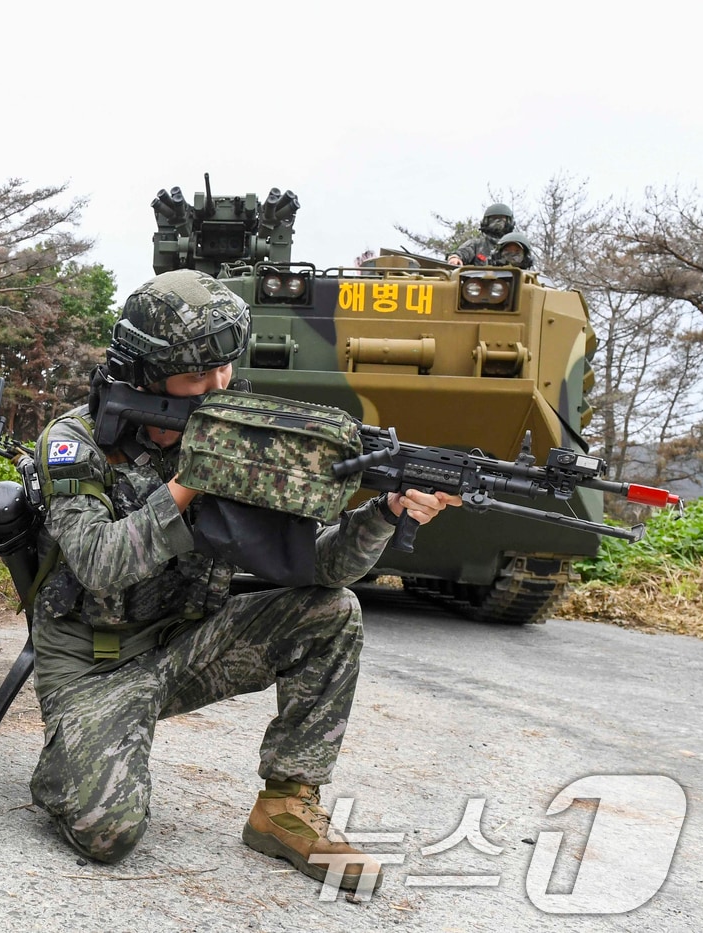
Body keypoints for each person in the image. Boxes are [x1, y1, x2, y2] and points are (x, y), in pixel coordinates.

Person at [25, 269, 458, 892]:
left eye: (226, 367)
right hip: (95, 667)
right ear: (146, 372)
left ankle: (285, 806)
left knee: (332, 611)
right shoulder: (76, 443)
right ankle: (71, 760)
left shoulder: (233, 433)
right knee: (107, 834)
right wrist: (196, 476)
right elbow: (97, 559)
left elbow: (322, 567)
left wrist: (385, 513)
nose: (218, 385)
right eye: (198, 373)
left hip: (186, 649)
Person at [446, 203, 515, 266]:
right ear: (486, 221)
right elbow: (463, 252)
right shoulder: (477, 244)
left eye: (501, 219)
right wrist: (455, 258)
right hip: (479, 279)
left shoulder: (516, 245)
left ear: (509, 222)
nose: (497, 222)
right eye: (493, 218)